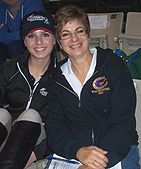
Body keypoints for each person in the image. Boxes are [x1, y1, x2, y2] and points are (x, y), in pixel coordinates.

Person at [46, 4, 140, 169]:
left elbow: (123, 123)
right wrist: (78, 151)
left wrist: (95, 163)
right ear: (59, 43)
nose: (74, 39)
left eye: (79, 31)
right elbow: (55, 126)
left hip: (117, 151)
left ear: (88, 34)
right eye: (66, 34)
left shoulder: (113, 66)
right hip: (74, 154)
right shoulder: (56, 79)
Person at [0, 10, 56, 169]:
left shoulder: (62, 76)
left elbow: (66, 124)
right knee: (0, 113)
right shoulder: (9, 69)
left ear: (54, 39)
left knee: (31, 114)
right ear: (24, 41)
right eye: (31, 36)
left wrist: (35, 154)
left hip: (35, 142)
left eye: (45, 34)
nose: (38, 42)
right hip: (5, 138)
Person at [0, 0, 45, 66]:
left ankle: (23, 74)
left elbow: (30, 34)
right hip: (16, 43)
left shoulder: (33, 3)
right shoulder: (3, 5)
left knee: (14, 46)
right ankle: (3, 74)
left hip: (36, 44)